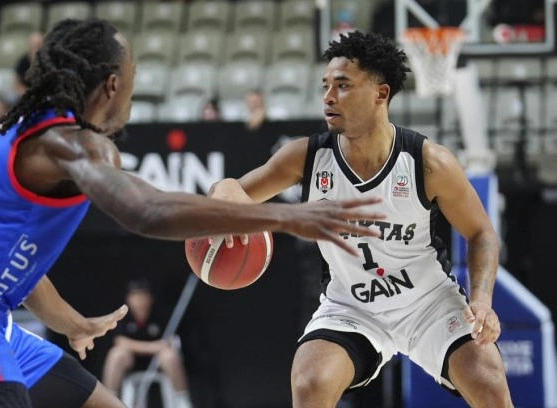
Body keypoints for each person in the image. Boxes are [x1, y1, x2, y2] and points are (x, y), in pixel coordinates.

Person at [0, 18, 385, 408]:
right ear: (112, 85)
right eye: (133, 77)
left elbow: (14, 259)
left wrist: (71, 323)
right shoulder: (68, 143)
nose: (134, 89)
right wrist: (285, 217)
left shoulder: (24, 129)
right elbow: (145, 212)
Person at [208, 31, 513, 408]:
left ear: (380, 94)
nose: (328, 96)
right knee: (310, 381)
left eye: (343, 85)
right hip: (352, 307)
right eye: (325, 85)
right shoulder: (306, 157)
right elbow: (231, 190)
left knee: (489, 381)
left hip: (429, 304)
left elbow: (482, 232)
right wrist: (225, 193)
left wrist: (481, 300)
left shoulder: (428, 162)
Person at [103, 279, 192, 407]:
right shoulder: (122, 315)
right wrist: (154, 347)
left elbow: (171, 341)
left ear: (150, 298)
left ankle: (182, 400)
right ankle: (108, 401)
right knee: (116, 354)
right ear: (129, 299)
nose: (139, 300)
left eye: (143, 295)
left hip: (158, 361)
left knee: (170, 355)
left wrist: (163, 346)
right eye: (136, 296)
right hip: (131, 361)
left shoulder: (160, 314)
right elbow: (120, 341)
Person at [14, 31, 45, 97]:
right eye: (34, 44)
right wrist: (27, 94)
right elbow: (16, 84)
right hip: (25, 94)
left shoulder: (49, 61)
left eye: (38, 44)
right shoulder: (22, 62)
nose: (36, 47)